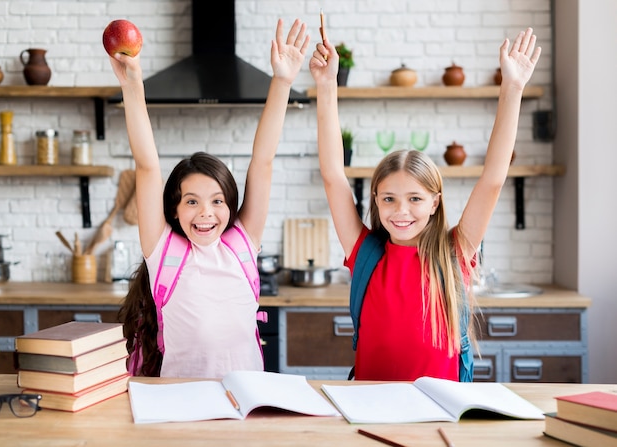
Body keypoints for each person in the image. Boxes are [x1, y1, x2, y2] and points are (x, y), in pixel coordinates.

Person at [310, 28, 541, 381]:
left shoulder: (454, 252)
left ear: (435, 203)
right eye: (389, 199)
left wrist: (512, 89)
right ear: (376, 201)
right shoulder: (365, 252)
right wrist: (327, 87)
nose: (401, 211)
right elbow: (332, 176)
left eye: (415, 199)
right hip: (371, 410)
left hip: (440, 413)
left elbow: (493, 178)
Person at [112, 18, 310, 378]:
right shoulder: (164, 252)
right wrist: (133, 86)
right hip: (180, 408)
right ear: (173, 208)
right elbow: (146, 165)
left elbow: (263, 161)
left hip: (245, 407)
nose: (206, 213)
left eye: (218, 201)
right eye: (192, 201)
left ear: (231, 206)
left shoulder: (241, 243)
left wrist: (282, 81)